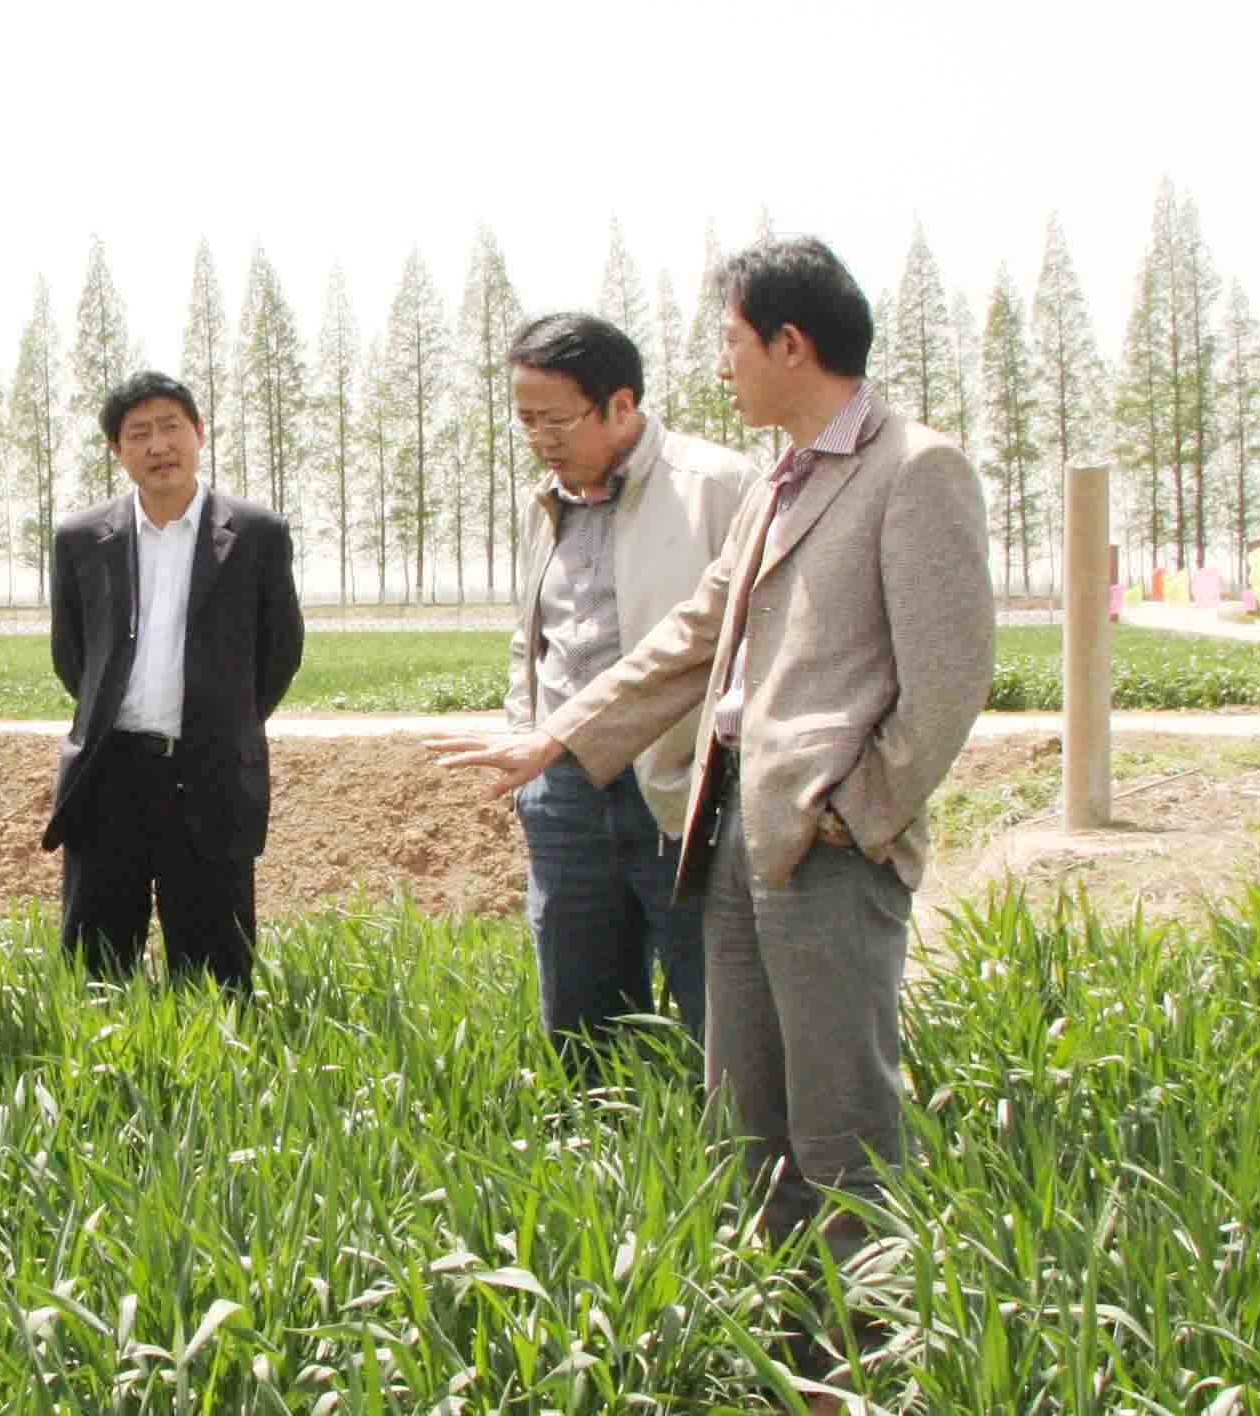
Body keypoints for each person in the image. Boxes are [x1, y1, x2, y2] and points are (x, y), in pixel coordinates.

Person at [432, 237, 993, 1390]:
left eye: (732, 341)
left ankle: (865, 1368)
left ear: (791, 342)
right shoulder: (784, 477)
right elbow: (694, 638)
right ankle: (777, 1353)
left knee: (840, 1122)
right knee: (747, 1118)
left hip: (824, 840)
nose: (720, 363)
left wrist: (859, 810)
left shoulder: (915, 469)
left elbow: (949, 681)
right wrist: (559, 736)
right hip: (734, 826)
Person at [430, 313, 753, 1068]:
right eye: (525, 420)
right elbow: (532, 638)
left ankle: (723, 1135)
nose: (541, 438)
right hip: (564, 791)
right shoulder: (544, 504)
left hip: (679, 785)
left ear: (621, 404)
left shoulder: (716, 488)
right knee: (580, 1018)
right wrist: (527, 745)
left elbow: (745, 643)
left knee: (719, 1009)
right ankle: (600, 1133)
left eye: (557, 419)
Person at [42, 371, 303, 993]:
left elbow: (279, 654)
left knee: (216, 975)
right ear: (116, 449)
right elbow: (73, 657)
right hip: (108, 776)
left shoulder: (256, 535)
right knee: (96, 971)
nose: (158, 446)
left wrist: (223, 720)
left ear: (199, 433)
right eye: (139, 434)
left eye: (170, 428)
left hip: (210, 774)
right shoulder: (81, 539)